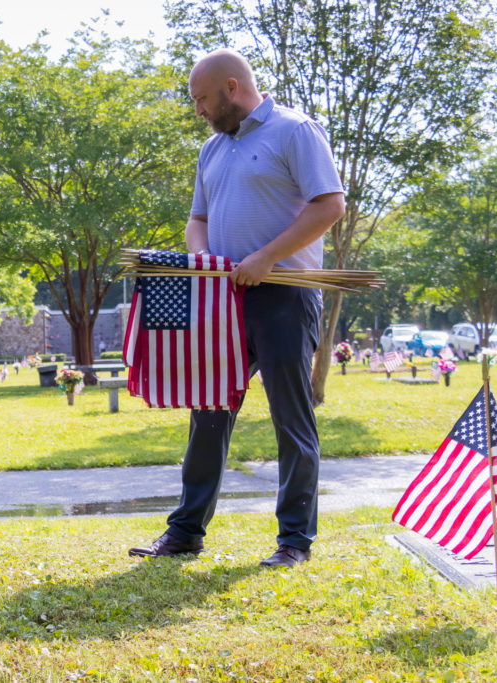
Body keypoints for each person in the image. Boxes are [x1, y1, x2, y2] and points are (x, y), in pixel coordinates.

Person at [128, 49, 345, 568]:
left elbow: (331, 204)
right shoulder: (211, 149)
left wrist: (266, 258)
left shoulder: (295, 131)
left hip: (285, 295)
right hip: (221, 300)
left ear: (231, 87)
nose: (197, 110)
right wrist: (204, 257)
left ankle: (294, 541)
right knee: (208, 413)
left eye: (201, 99)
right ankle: (185, 533)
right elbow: (196, 219)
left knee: (291, 419)